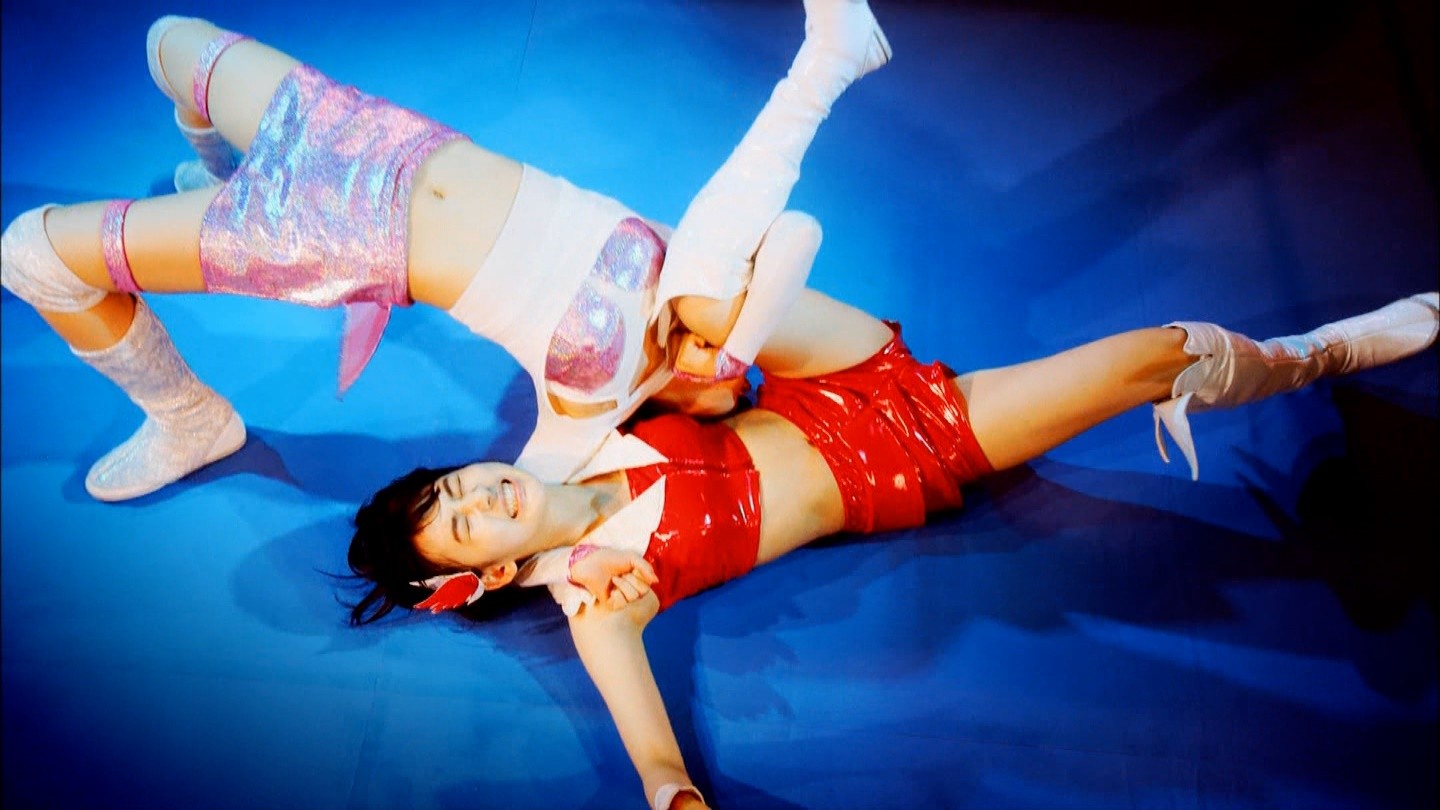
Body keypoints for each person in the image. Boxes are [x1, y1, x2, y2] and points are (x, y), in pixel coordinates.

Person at [346, 282, 1439, 809]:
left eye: (454, 485)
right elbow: (655, 761)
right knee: (1150, 355)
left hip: (833, 374)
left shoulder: (570, 426)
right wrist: (677, 800)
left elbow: (700, 382)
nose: (479, 495)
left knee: (698, 295)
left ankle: (825, 67)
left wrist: (695, 379)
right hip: (908, 454)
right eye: (466, 525)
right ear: (489, 574)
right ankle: (1318, 356)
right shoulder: (602, 604)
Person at [0, 0, 891, 501]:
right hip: (375, 137)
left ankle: (190, 420)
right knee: (168, 42)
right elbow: (793, 233)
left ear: (683, 417)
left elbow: (531, 503)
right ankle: (224, 179)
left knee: (28, 254)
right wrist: (729, 343)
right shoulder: (693, 280)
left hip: (327, 237)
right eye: (748, 373)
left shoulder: (589, 407)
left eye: (735, 391)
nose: (741, 374)